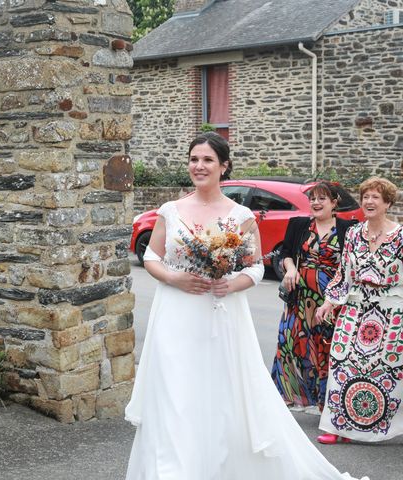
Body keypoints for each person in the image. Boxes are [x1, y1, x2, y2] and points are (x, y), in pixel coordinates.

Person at [124, 132, 367, 480]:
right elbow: (151, 256)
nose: (199, 166)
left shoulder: (240, 215)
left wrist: (230, 283)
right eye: (194, 159)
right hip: (175, 314)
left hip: (219, 314)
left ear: (224, 166)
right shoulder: (170, 210)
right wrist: (174, 278)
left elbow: (255, 266)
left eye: (208, 160)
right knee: (173, 393)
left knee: (220, 395)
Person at [316, 177, 403, 445]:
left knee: (390, 368)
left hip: (391, 310)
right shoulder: (354, 233)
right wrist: (329, 301)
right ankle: (338, 426)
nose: (369, 201)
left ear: (387, 203)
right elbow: (344, 273)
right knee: (342, 360)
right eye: (366, 196)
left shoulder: (400, 235)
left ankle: (392, 426)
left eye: (376, 197)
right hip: (356, 306)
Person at [271, 182, 356, 413]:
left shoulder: (348, 228)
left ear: (334, 203)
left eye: (322, 199)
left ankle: (324, 399)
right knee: (290, 341)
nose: (316, 203)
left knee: (324, 345)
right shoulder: (298, 224)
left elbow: (350, 264)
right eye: (313, 199)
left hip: (329, 297)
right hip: (299, 296)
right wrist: (290, 268)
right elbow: (286, 252)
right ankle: (288, 394)